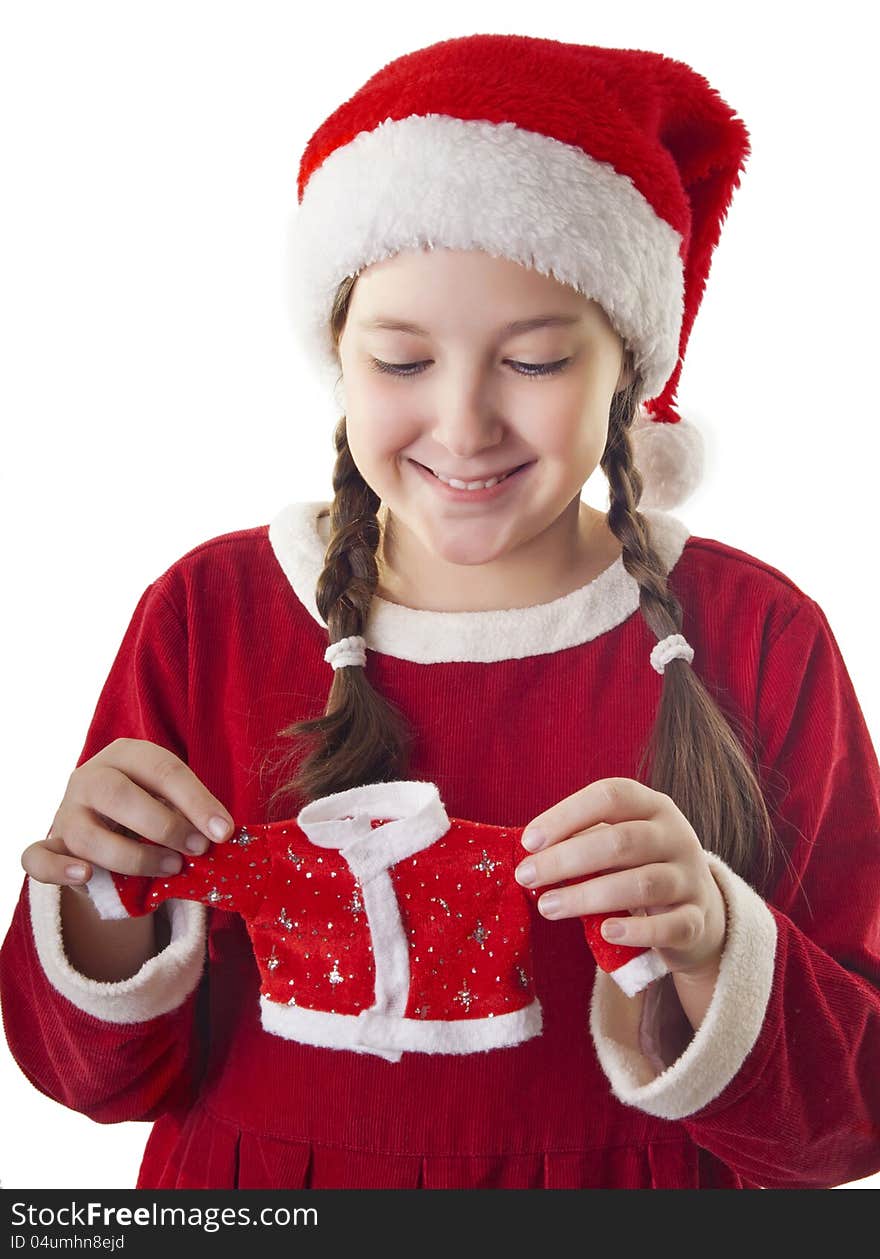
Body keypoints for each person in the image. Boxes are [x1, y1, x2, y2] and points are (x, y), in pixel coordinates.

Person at [2, 32, 879, 1191]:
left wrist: (714, 942)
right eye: (403, 360)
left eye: (533, 360)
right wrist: (104, 894)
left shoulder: (761, 637)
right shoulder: (207, 616)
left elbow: (845, 1126)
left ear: (628, 369)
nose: (464, 427)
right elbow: (92, 1079)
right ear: (338, 356)